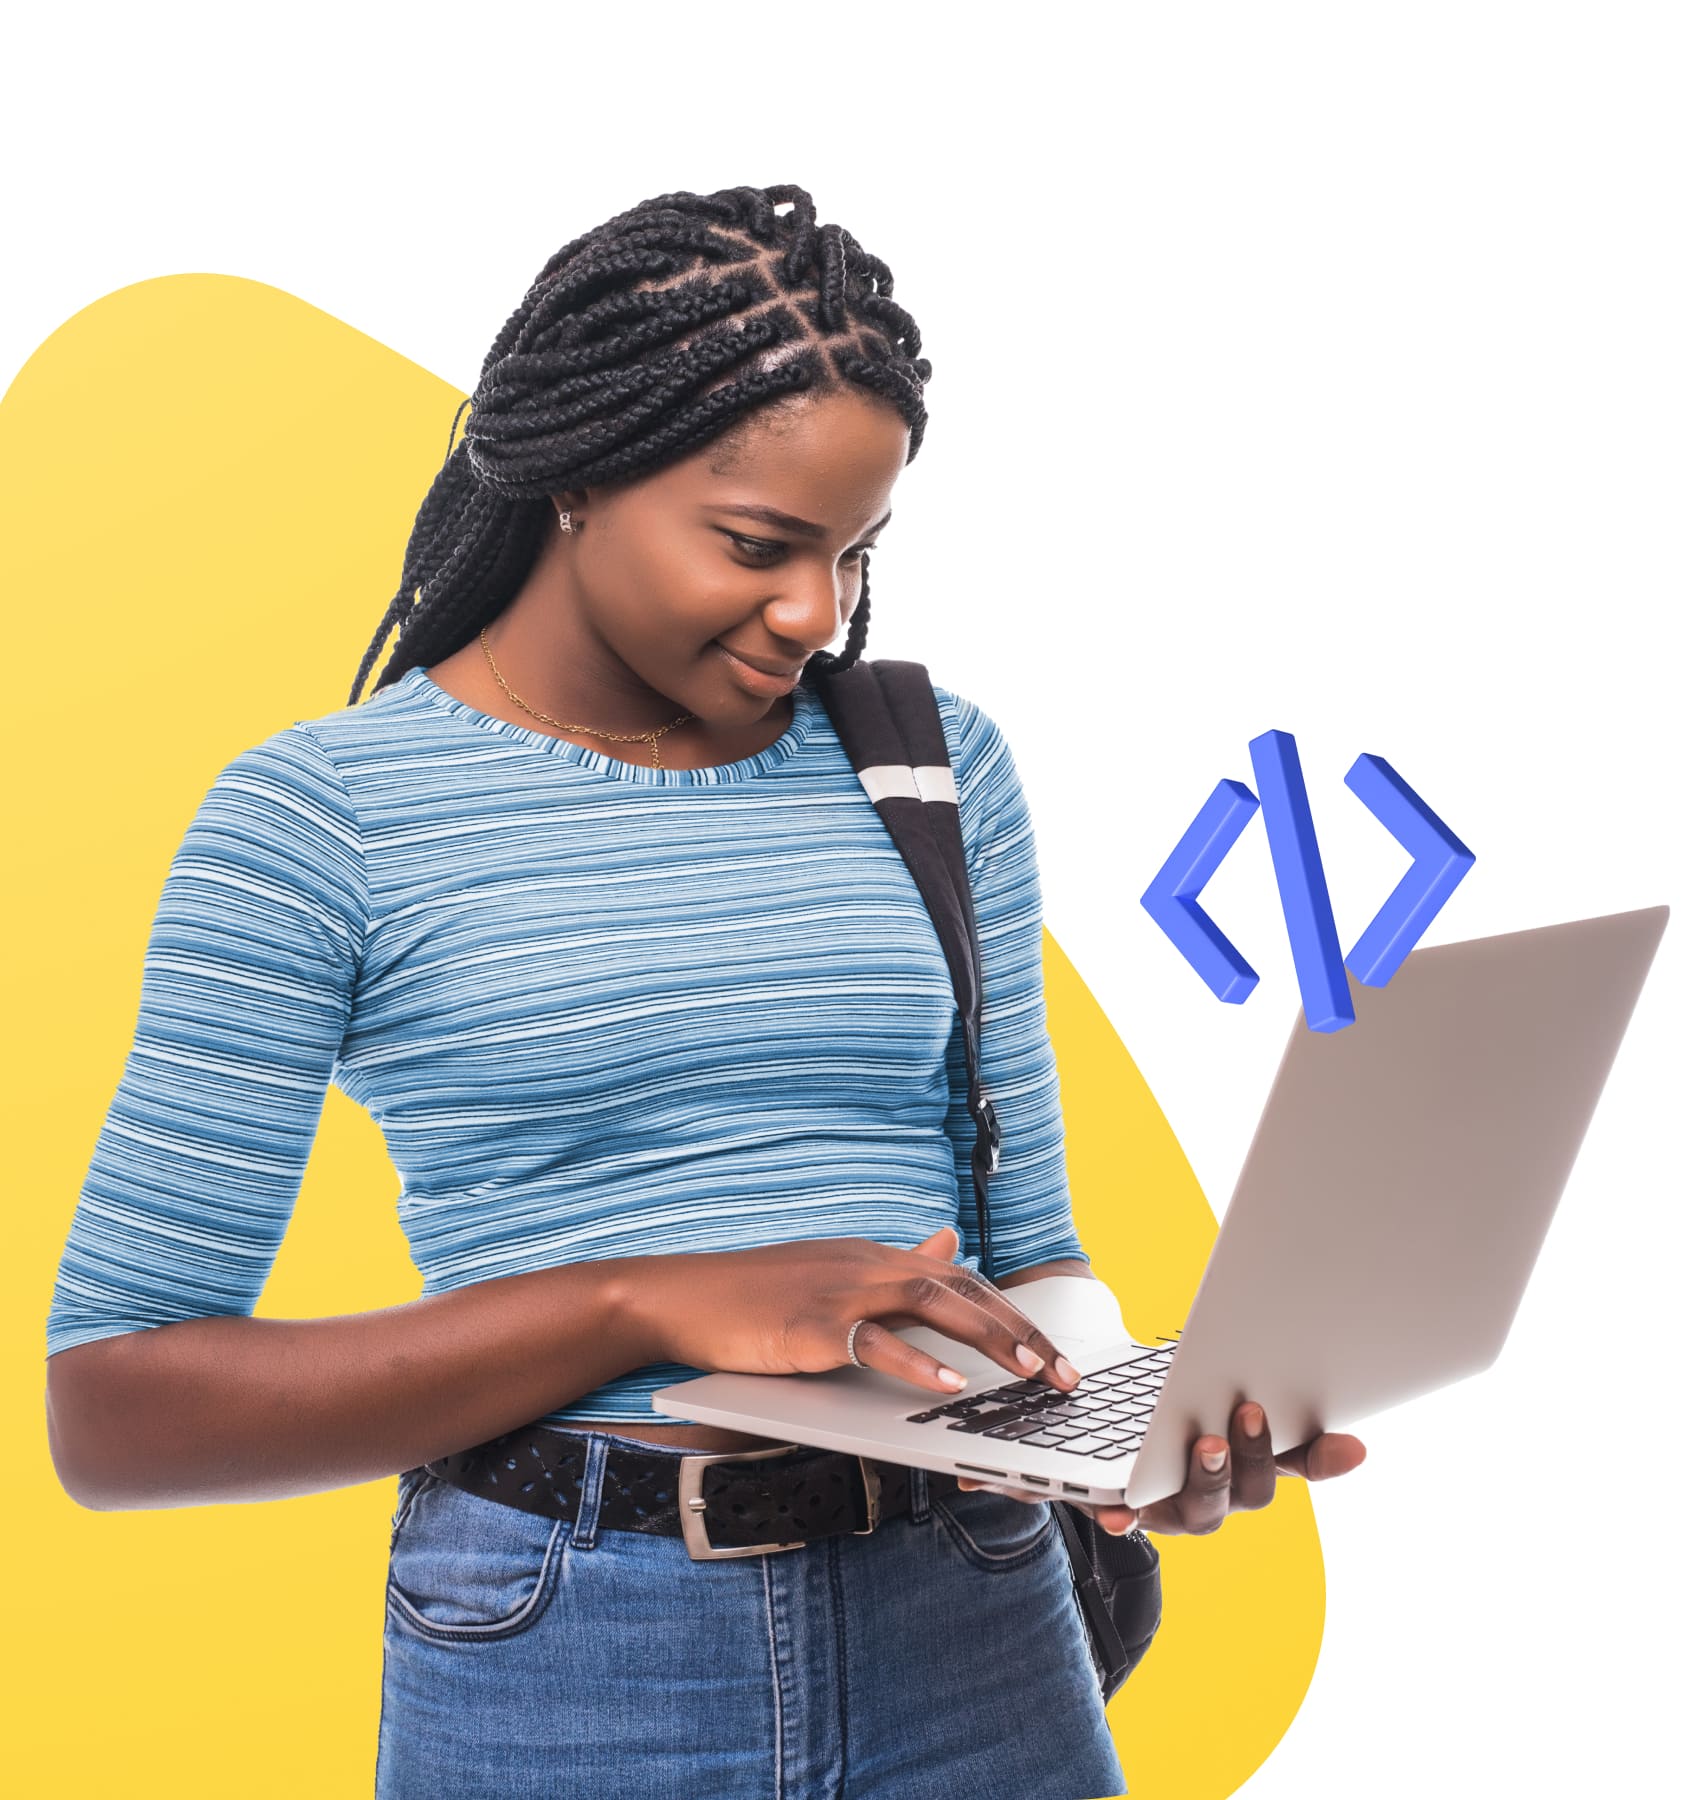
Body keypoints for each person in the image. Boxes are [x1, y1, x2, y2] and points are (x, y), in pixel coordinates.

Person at [43, 183, 1364, 1799]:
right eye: (757, 546)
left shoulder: (930, 767)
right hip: (563, 1646)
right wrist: (647, 1297)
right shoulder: (320, 821)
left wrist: (1121, 1436)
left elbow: (1029, 1250)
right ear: (576, 477)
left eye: (854, 554)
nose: (813, 615)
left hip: (972, 1618)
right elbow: (118, 1412)